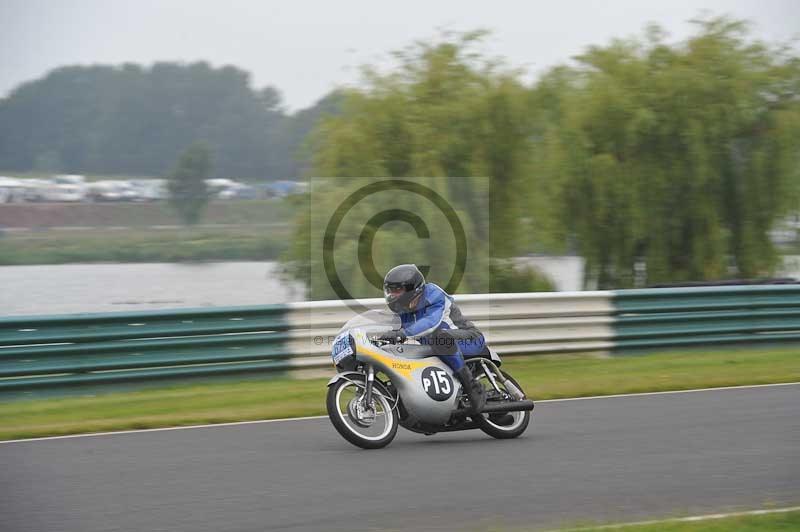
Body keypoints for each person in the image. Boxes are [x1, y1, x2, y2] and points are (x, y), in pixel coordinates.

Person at [379, 264, 486, 414]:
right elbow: (395, 332)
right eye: (390, 290)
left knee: (439, 337)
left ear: (412, 289)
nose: (392, 295)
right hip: (441, 348)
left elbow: (430, 323)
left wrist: (402, 334)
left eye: (397, 290)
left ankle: (473, 387)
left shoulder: (434, 295)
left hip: (469, 339)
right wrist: (381, 339)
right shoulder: (403, 311)